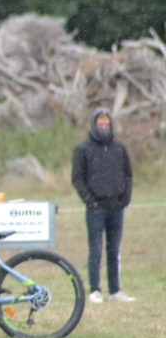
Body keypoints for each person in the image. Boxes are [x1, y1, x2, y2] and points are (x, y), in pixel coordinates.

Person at [71, 106, 134, 303]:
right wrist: (89, 200)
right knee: (95, 249)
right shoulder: (83, 149)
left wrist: (125, 197)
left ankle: (115, 290)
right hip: (95, 207)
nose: (104, 127)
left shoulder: (119, 149)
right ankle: (95, 289)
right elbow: (77, 178)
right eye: (100, 124)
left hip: (116, 206)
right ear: (94, 125)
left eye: (107, 124)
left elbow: (128, 174)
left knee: (114, 250)